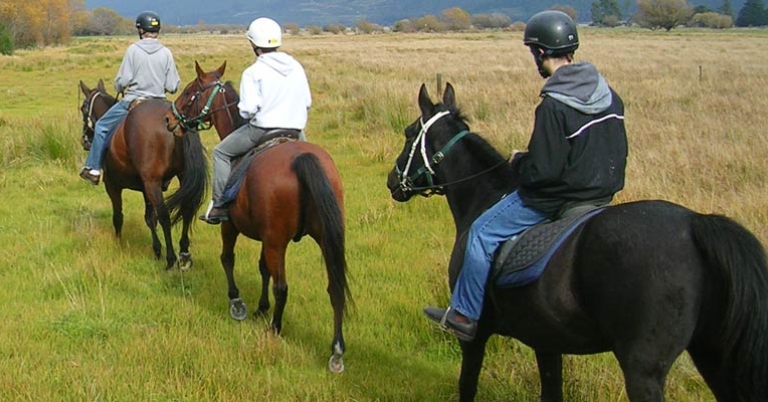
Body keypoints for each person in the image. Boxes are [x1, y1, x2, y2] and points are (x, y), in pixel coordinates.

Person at [424, 10, 628, 342]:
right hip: (601, 197)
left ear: (541, 52)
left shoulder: (553, 105)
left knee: (479, 235)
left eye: (534, 51)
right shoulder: (610, 96)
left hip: (555, 200)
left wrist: (520, 163)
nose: (534, 58)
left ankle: (464, 314)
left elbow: (544, 172)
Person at [199, 17, 312, 224]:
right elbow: (307, 101)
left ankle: (219, 206)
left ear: (253, 44)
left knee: (220, 153)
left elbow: (247, 110)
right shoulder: (296, 66)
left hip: (261, 130)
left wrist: (249, 111)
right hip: (296, 131)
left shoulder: (253, 72)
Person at [79, 10, 181, 185]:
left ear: (141, 30)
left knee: (102, 126)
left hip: (134, 100)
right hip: (160, 102)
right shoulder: (166, 53)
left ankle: (94, 168)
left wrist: (118, 86)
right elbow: (173, 86)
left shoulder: (133, 50)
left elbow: (123, 80)